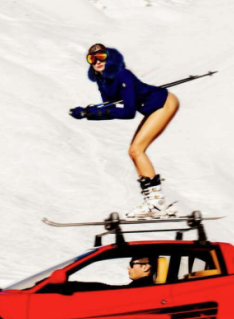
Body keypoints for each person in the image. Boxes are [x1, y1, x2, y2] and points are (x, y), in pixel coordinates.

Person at [70, 43, 180, 218]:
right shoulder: (103, 81)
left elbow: (128, 112)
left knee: (137, 150)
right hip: (152, 108)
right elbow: (110, 107)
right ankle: (154, 202)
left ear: (109, 58)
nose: (97, 61)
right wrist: (88, 113)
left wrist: (93, 112)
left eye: (101, 57)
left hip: (163, 103)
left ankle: (156, 204)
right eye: (92, 59)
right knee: (133, 151)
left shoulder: (123, 75)